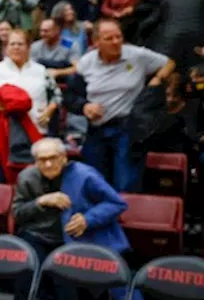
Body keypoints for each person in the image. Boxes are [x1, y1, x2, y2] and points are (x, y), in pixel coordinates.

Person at [74, 19, 175, 192]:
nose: (116, 42)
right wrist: (85, 107)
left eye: (118, 37)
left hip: (127, 128)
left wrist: (157, 80)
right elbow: (71, 96)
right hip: (96, 129)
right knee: (94, 183)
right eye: (109, 38)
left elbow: (169, 63)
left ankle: (127, 219)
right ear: (96, 42)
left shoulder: (137, 55)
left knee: (126, 184)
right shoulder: (86, 63)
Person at [11, 137, 131, 267]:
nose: (48, 164)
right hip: (37, 235)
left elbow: (117, 203)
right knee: (26, 275)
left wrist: (88, 219)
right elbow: (17, 214)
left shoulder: (85, 175)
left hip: (75, 238)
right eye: (42, 160)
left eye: (53, 158)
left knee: (65, 281)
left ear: (64, 158)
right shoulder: (26, 177)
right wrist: (40, 202)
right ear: (35, 162)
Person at [0, 29, 60, 183]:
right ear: (6, 48)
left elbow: (57, 95)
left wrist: (49, 110)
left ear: (28, 47)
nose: (16, 47)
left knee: (34, 179)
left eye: (20, 44)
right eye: (12, 44)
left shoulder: (41, 71)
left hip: (34, 130)